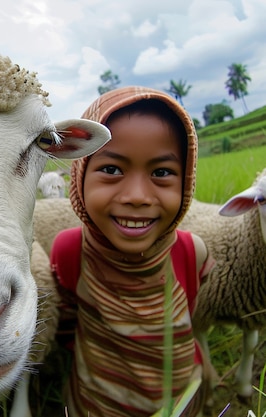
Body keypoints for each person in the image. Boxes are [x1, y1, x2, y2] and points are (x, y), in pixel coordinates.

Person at [50, 86, 216, 417]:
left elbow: (193, 323)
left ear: (186, 180)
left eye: (162, 173)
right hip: (96, 405)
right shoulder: (71, 251)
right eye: (111, 170)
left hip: (183, 401)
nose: (137, 196)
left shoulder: (190, 252)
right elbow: (67, 324)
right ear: (80, 175)